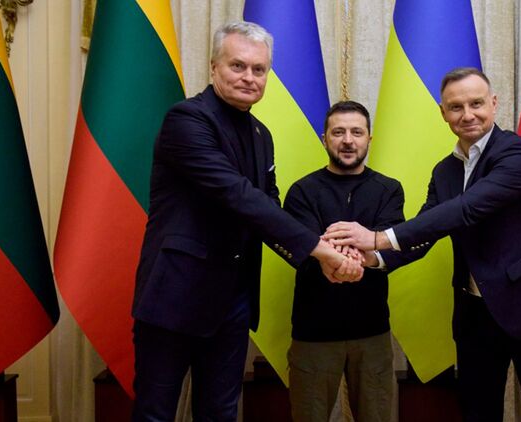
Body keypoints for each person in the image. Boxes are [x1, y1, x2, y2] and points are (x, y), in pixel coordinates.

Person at [131, 21, 362, 421]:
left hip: (233, 301)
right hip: (175, 296)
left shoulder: (260, 134)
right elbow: (238, 196)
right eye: (237, 66)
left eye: (259, 69)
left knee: (221, 413)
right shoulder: (187, 119)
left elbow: (268, 207)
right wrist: (321, 250)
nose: (249, 77)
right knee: (155, 414)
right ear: (214, 67)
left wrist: (319, 254)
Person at [324, 67, 521, 422]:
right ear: (443, 113)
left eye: (476, 103)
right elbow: (425, 232)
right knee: (477, 412)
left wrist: (378, 237)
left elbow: (466, 209)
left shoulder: (518, 154)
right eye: (456, 107)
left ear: (494, 103)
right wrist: (373, 258)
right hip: (475, 314)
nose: (467, 114)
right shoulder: (445, 171)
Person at [283, 101, 404, 422]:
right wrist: (347, 255)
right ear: (324, 139)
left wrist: (358, 255)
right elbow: (301, 248)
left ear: (369, 139)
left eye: (356, 132)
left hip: (372, 331)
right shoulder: (301, 191)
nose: (348, 140)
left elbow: (393, 247)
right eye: (338, 132)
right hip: (313, 332)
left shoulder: (389, 190)